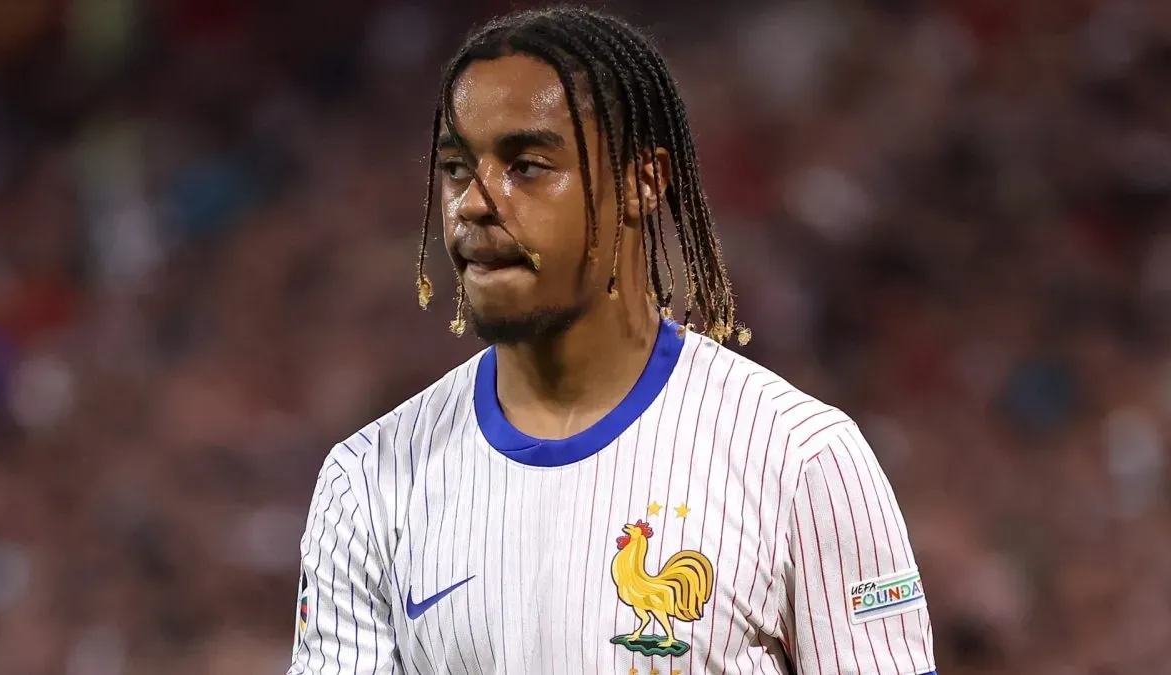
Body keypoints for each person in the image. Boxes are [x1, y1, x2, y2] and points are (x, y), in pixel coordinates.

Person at [288, 6, 936, 674]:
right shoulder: (368, 480)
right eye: (456, 167)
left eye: (527, 165)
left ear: (642, 181)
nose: (474, 203)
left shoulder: (801, 458)